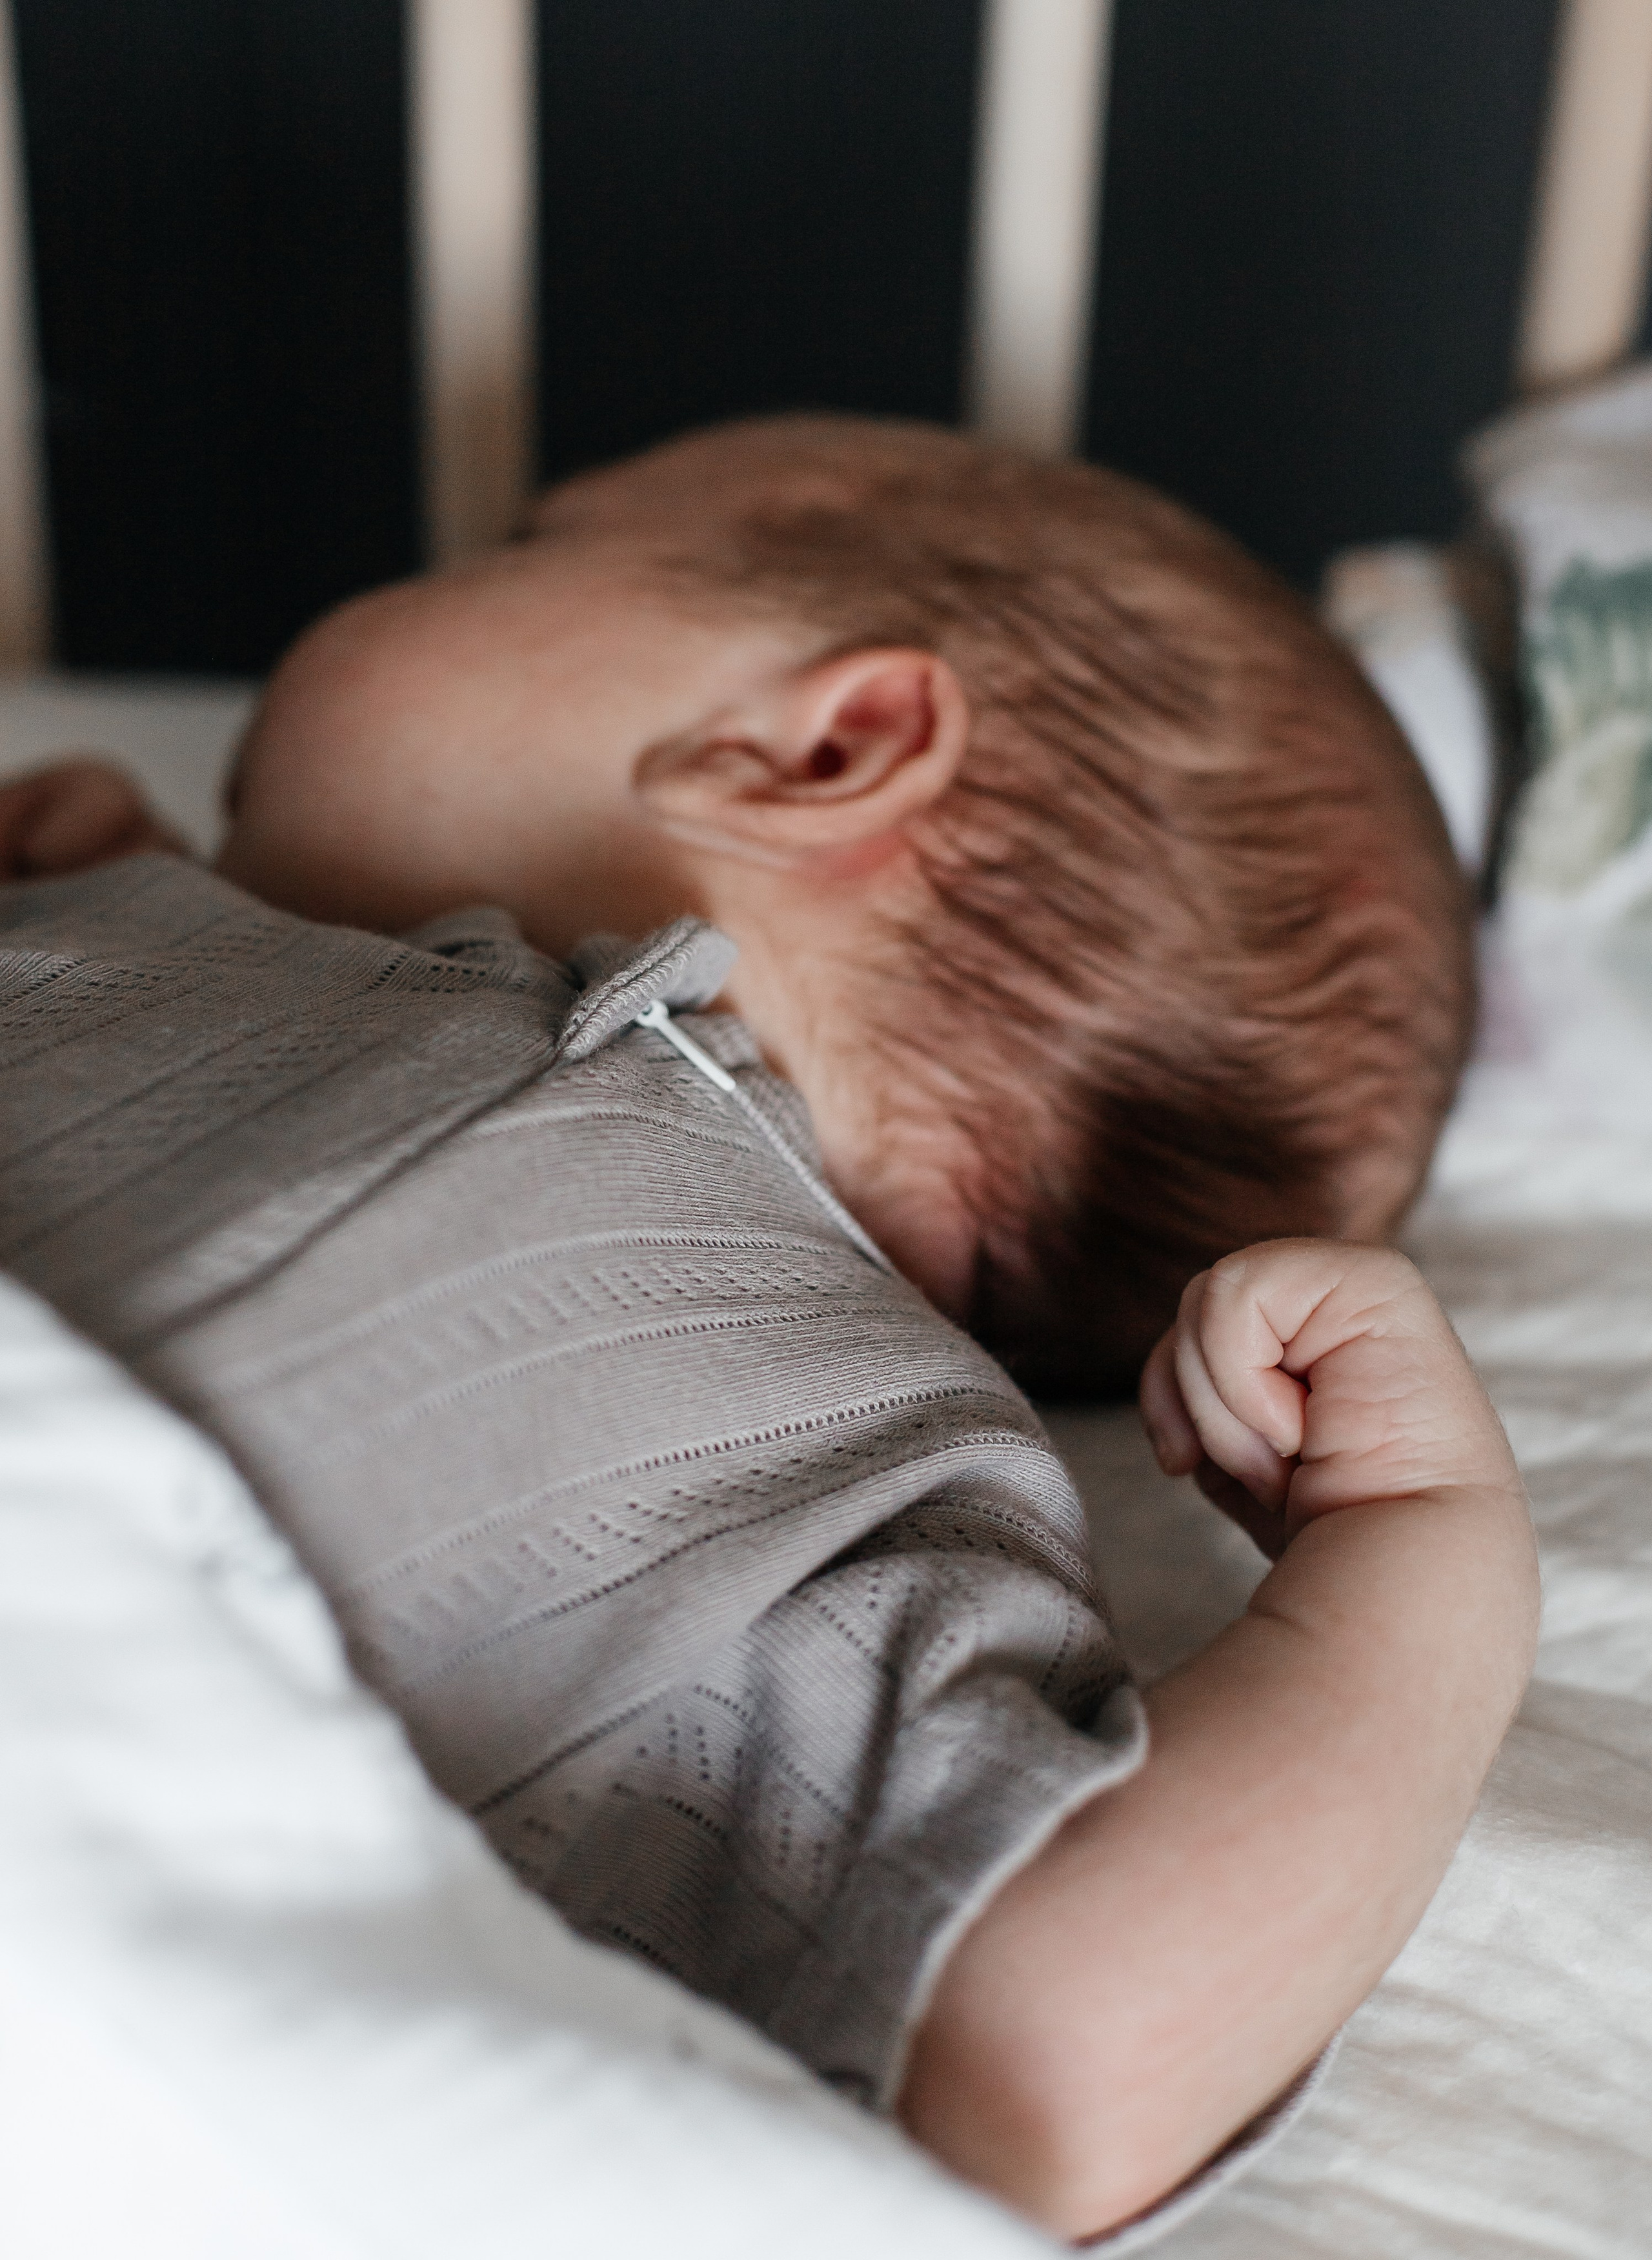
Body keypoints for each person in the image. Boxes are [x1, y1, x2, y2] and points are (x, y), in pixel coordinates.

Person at [0, 418, 1534, 2242]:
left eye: (509, 545)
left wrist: (1430, 1583)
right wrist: (122, 926)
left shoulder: (820, 1444)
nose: (419, 562)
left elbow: (1049, 2059)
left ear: (819, 748)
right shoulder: (262, 972)